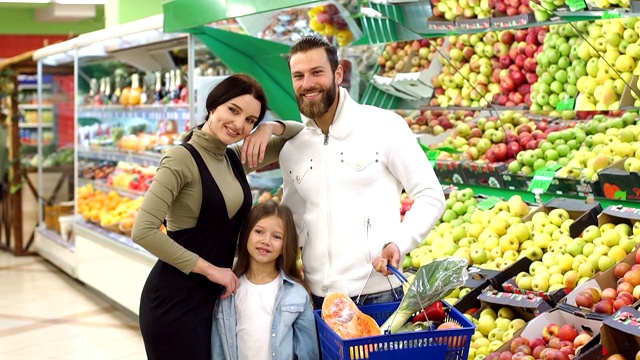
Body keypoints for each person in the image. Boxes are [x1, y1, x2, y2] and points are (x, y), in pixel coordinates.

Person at [131, 73, 304, 360]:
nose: (239, 125)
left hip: (212, 300)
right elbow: (143, 230)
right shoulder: (181, 158)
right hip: (175, 302)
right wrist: (212, 270)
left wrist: (268, 128)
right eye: (233, 111)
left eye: (250, 120)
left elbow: (300, 133)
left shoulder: (234, 157)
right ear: (213, 106)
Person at [279, 36, 446, 309]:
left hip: (377, 296)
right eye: (298, 76)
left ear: (338, 73)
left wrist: (399, 242)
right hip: (318, 301)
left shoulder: (384, 126)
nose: (307, 84)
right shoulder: (292, 149)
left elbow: (431, 195)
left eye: (317, 72)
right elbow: (293, 223)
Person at [212, 201, 319, 360]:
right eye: (259, 232)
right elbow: (218, 349)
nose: (266, 241)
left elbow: (307, 352)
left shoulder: (297, 294)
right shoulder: (229, 290)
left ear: (285, 244)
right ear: (246, 233)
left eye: (276, 236)